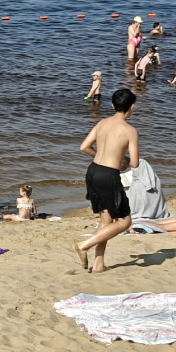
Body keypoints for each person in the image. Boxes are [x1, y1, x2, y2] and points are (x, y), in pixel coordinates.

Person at [74, 88, 139, 274]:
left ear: (112, 105)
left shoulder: (102, 123)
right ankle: (83, 245)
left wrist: (103, 157)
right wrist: (122, 160)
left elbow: (84, 147)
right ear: (132, 107)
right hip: (109, 175)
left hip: (93, 171)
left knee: (107, 219)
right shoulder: (130, 130)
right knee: (124, 221)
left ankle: (99, 264)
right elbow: (134, 163)